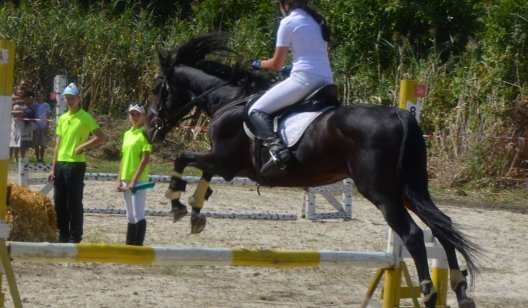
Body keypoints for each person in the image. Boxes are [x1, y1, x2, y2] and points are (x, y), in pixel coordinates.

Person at [248, 0, 333, 172]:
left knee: (256, 111)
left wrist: (257, 63)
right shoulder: (318, 21)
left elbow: (275, 64)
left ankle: (278, 150)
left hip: (304, 81)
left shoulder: (288, 22)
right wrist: (291, 68)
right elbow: (314, 57)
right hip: (326, 80)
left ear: (285, 4)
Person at [47, 83, 107, 243]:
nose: (69, 101)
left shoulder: (85, 117)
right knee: (59, 202)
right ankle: (63, 234)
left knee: (73, 202)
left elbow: (101, 137)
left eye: (72, 98)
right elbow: (57, 145)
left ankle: (75, 236)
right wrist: (53, 168)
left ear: (79, 99)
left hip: (76, 165)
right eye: (66, 98)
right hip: (61, 163)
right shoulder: (63, 118)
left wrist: (83, 146)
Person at [117, 103, 152, 246]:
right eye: (132, 114)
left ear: (143, 116)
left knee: (138, 214)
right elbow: (124, 157)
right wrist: (119, 179)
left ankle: (138, 247)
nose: (135, 117)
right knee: (130, 216)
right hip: (126, 178)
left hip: (139, 180)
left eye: (138, 114)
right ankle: (129, 247)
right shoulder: (127, 134)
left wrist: (134, 180)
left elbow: (145, 159)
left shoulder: (145, 134)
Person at [33, 90, 52, 162]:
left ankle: (42, 158)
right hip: (36, 126)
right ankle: (37, 158)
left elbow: (48, 115)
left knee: (43, 144)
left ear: (44, 97)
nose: (39, 97)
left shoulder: (47, 105)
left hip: (44, 126)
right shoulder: (35, 105)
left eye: (41, 95)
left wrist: (48, 126)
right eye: (38, 95)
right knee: (36, 143)